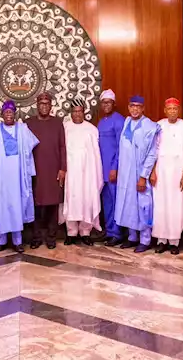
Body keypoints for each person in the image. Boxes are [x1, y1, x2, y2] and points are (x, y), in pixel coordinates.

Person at [0, 100, 39, 252]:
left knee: (17, 206)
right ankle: (0, 241)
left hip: (18, 176)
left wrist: (30, 172)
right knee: (0, 205)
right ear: (2, 114)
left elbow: (30, 151)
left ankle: (18, 241)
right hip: (1, 176)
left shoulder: (23, 129)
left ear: (15, 114)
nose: (8, 115)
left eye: (11, 112)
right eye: (6, 112)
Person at [114, 96, 161, 253]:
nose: (135, 109)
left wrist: (143, 176)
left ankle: (145, 240)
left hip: (139, 172)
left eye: (138, 106)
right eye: (132, 106)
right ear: (129, 107)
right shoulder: (127, 122)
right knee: (128, 204)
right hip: (125, 172)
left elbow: (152, 154)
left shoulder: (150, 126)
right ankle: (132, 238)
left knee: (142, 205)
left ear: (143, 108)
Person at [27, 91, 67, 249]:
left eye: (47, 104)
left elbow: (62, 146)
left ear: (51, 106)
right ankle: (36, 237)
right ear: (37, 106)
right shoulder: (29, 123)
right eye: (41, 104)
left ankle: (51, 237)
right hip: (34, 169)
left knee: (52, 204)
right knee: (35, 204)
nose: (44, 106)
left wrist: (63, 168)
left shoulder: (58, 123)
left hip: (53, 169)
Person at [153, 98, 183, 254]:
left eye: (175, 109)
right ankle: (161, 240)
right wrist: (153, 171)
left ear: (179, 110)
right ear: (165, 110)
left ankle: (174, 242)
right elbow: (154, 151)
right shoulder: (159, 125)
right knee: (161, 205)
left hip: (177, 171)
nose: (172, 111)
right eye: (169, 109)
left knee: (176, 205)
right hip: (161, 170)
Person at [62, 99, 102, 244]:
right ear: (71, 113)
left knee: (87, 200)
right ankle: (71, 232)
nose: (77, 114)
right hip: (71, 172)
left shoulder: (91, 129)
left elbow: (96, 153)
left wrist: (97, 172)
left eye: (80, 111)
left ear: (84, 112)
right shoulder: (65, 127)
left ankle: (85, 232)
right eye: (74, 111)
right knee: (71, 199)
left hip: (88, 172)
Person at [97, 90, 125, 241]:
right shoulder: (102, 121)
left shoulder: (119, 120)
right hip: (102, 170)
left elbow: (121, 147)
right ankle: (108, 231)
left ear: (114, 104)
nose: (106, 105)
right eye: (103, 102)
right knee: (106, 202)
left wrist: (115, 167)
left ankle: (117, 233)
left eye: (109, 102)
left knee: (115, 201)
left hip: (113, 170)